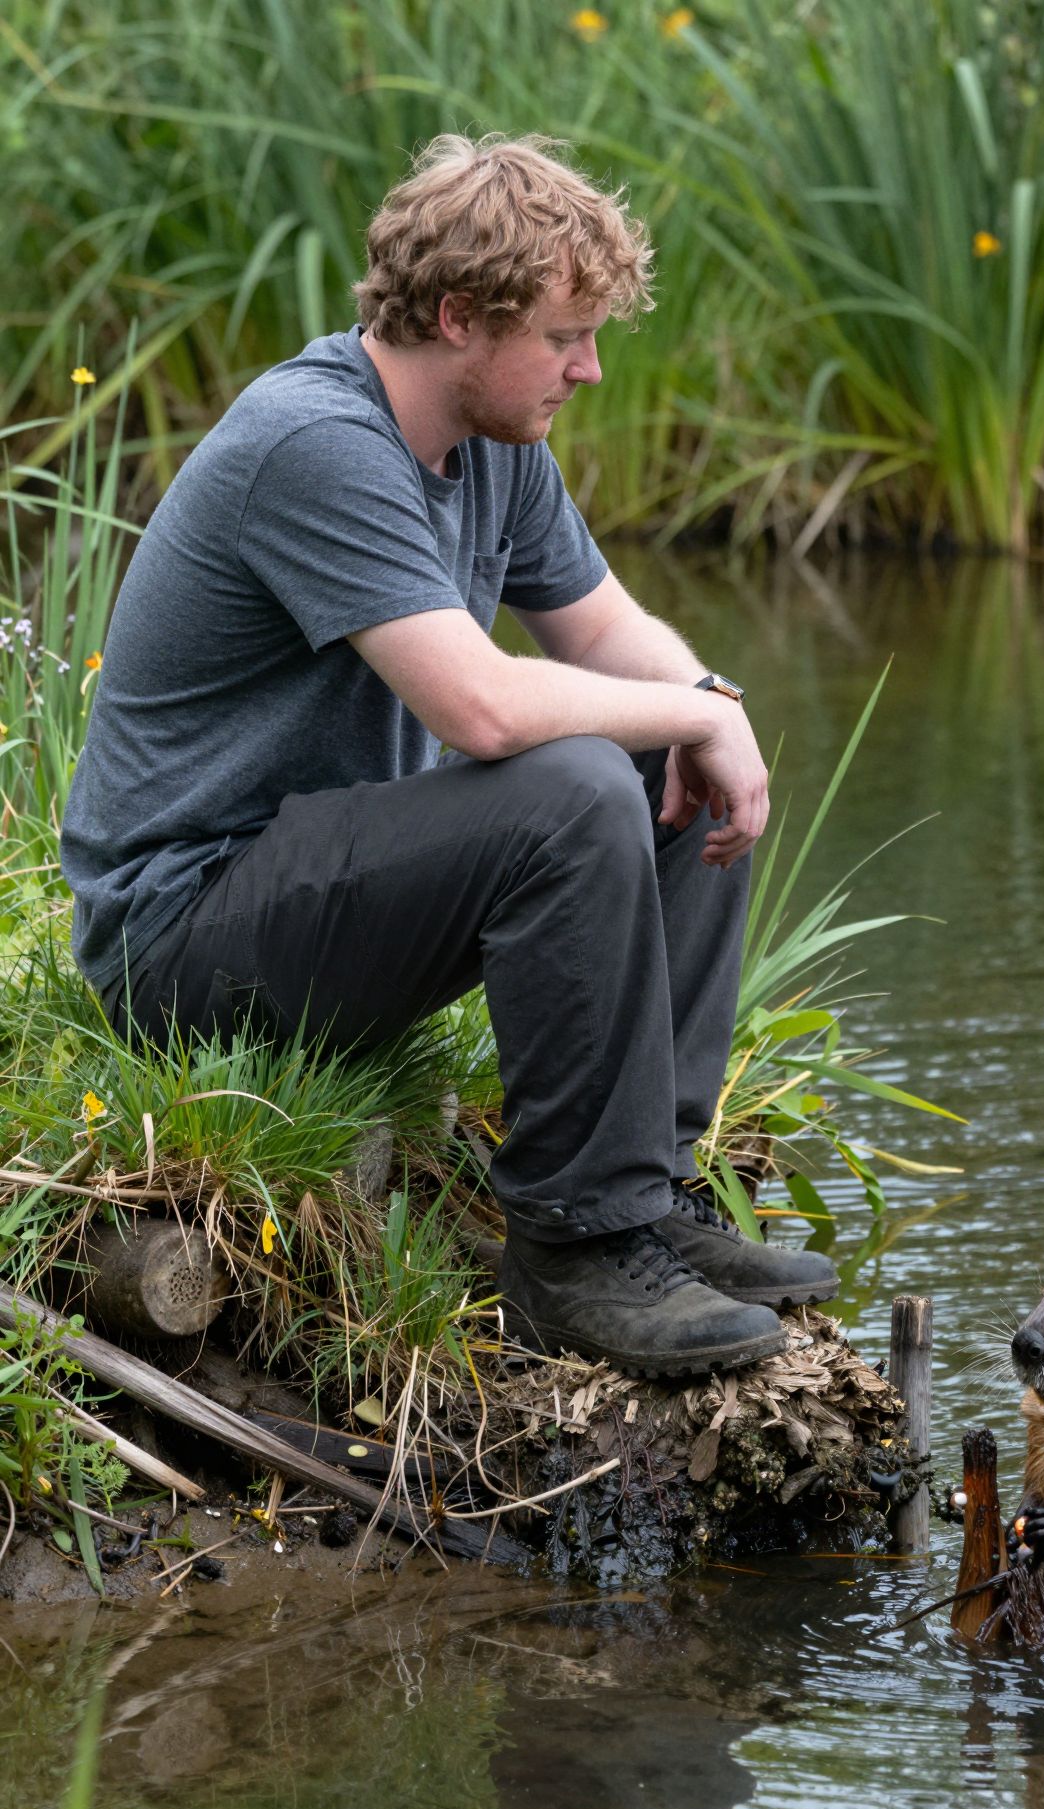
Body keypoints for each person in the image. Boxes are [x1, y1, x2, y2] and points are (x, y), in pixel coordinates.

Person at [59, 131, 837, 1380]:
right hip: (180, 936)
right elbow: (481, 710)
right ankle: (572, 1253)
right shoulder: (315, 442)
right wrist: (687, 712)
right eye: (566, 337)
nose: (588, 371)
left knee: (654, 759)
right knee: (581, 777)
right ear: (460, 316)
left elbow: (608, 631)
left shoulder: (495, 448)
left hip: (314, 891)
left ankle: (651, 1202)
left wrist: (709, 700)